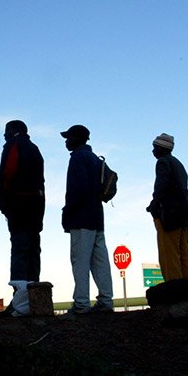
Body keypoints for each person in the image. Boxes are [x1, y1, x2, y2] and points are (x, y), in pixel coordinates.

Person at [61, 124, 113, 314]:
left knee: (80, 260)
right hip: (97, 217)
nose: (66, 141)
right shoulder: (95, 159)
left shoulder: (77, 158)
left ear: (77, 138)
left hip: (81, 217)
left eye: (69, 137)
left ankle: (82, 303)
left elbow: (77, 190)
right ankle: (106, 301)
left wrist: (67, 212)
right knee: (100, 260)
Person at [0, 120, 45, 283]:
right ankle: (33, 295)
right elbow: (41, 183)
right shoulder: (35, 149)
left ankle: (19, 298)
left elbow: (8, 173)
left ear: (13, 131)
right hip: (36, 209)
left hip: (19, 207)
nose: (4, 135)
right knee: (33, 251)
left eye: (6, 131)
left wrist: (2, 201)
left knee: (19, 250)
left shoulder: (13, 145)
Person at [146, 133, 188, 282]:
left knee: (169, 254)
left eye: (155, 147)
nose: (153, 151)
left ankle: (175, 289)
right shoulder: (178, 164)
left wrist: (153, 205)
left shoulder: (163, 162)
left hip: (169, 215)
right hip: (183, 214)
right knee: (184, 253)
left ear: (161, 148)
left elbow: (161, 187)